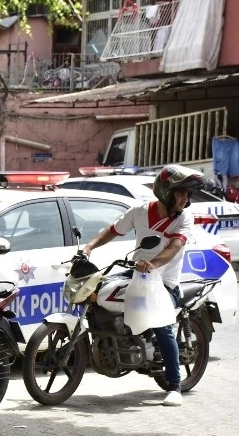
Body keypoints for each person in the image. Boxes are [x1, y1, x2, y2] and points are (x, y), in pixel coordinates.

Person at [82, 164, 202, 407]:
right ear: (166, 192)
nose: (185, 199)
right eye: (181, 193)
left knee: (161, 324)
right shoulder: (140, 211)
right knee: (100, 291)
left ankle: (174, 386)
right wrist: (89, 247)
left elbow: (174, 247)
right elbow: (112, 230)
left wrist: (154, 264)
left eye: (188, 194)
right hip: (139, 272)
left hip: (165, 282)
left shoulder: (184, 218)